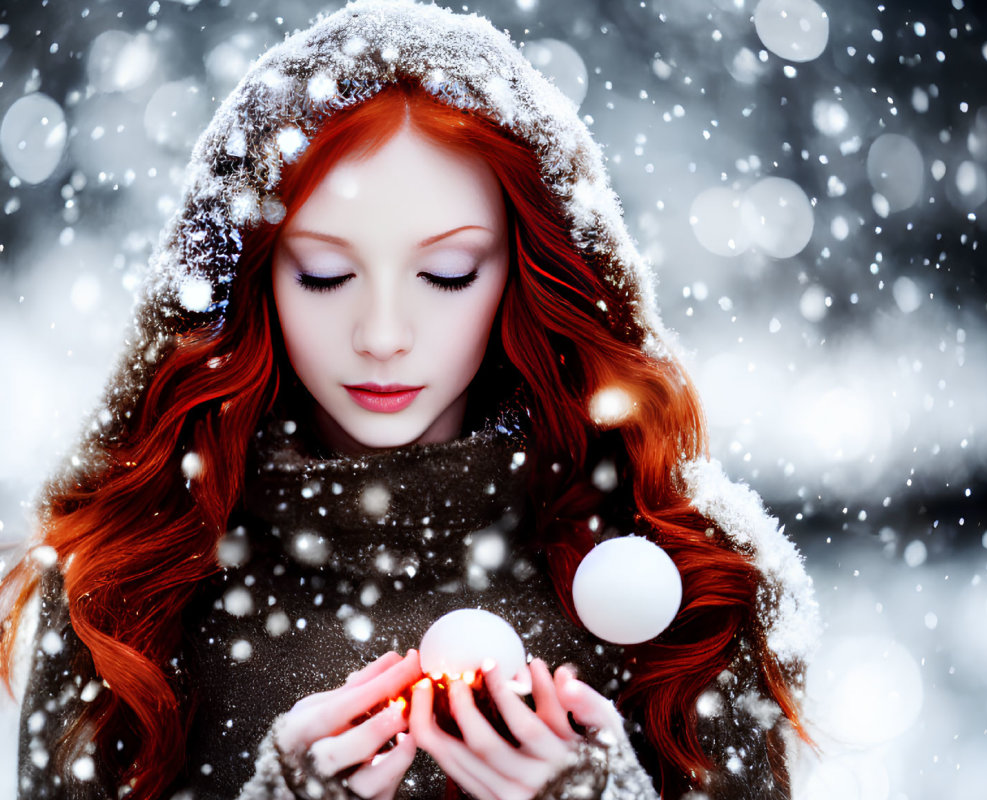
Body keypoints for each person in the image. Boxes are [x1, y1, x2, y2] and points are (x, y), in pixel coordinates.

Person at [0, 2, 819, 798]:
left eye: (447, 272)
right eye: (324, 273)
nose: (383, 334)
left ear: (528, 268)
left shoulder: (689, 576)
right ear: (250, 275)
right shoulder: (128, 584)